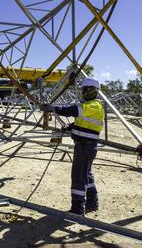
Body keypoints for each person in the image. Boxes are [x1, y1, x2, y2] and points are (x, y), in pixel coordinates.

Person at [40, 77, 104, 215]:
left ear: (95, 91)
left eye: (89, 89)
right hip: (85, 146)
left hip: (86, 146)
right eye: (85, 89)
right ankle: (92, 202)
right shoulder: (89, 105)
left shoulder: (94, 105)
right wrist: (70, 127)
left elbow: (74, 111)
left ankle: (78, 209)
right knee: (86, 173)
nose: (86, 92)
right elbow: (84, 123)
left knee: (79, 176)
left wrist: (53, 108)